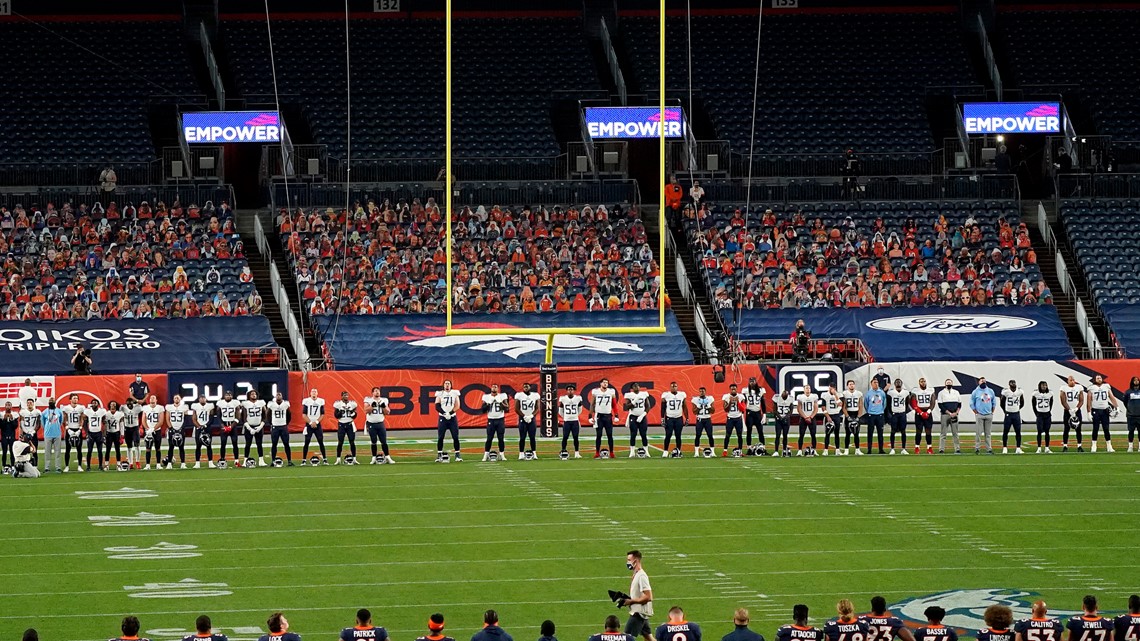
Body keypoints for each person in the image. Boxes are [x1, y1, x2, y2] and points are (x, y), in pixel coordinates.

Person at [620, 551, 654, 641]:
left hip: (638, 613)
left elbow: (648, 597)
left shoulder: (642, 576)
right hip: (640, 612)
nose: (627, 562)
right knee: (649, 638)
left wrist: (631, 601)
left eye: (629, 560)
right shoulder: (636, 574)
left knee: (627, 638)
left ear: (636, 561)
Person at [1086, 374, 1117, 452]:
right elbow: (1089, 400)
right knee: (1095, 428)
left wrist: (1117, 406)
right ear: (1094, 379)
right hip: (1095, 410)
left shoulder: (1106, 386)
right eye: (1097, 378)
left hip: (1104, 410)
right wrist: (1088, 412)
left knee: (1106, 428)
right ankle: (1093, 445)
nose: (1099, 379)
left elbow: (1111, 397)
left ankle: (1109, 446)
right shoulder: (1091, 388)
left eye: (1100, 378)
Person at [363, 387, 394, 464]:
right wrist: (372, 406)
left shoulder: (384, 400)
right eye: (376, 391)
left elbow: (387, 412)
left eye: (378, 391)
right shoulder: (368, 400)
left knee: (384, 441)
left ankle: (388, 457)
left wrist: (383, 407)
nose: (377, 393)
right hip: (371, 423)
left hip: (380, 423)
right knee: (373, 441)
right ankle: (373, 458)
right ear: (372, 392)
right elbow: (366, 411)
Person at [434, 380, 462, 462]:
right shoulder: (440, 394)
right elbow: (437, 405)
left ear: (451, 385)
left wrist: (450, 413)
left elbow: (457, 405)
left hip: (452, 417)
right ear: (443, 385)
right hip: (442, 417)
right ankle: (439, 454)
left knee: (455, 437)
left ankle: (457, 455)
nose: (447, 385)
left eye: (448, 383)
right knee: (440, 437)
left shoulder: (455, 393)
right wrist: (444, 413)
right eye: (445, 383)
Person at [590, 379, 617, 458]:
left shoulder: (611, 391)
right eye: (604, 382)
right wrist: (590, 415)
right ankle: (597, 453)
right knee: (599, 435)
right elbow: (592, 404)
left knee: (610, 435)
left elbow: (614, 404)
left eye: (607, 383)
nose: (605, 384)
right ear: (600, 383)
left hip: (608, 415)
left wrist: (616, 414)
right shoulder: (595, 391)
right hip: (599, 416)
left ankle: (611, 452)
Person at [481, 384, 509, 461]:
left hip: (500, 419)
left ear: (498, 389)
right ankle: (486, 455)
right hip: (491, 419)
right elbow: (483, 410)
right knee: (489, 438)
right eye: (493, 387)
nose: (494, 388)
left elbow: (507, 408)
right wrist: (489, 403)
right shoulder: (486, 397)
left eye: (496, 387)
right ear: (491, 388)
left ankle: (502, 455)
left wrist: (500, 402)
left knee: (501, 438)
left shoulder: (502, 396)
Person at [660, 382, 689, 456]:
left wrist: (687, 418)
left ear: (677, 387)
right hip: (669, 418)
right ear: (670, 387)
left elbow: (684, 407)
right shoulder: (666, 395)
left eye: (675, 386)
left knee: (678, 435)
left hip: (679, 417)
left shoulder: (682, 395)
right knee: (668, 434)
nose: (674, 387)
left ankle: (678, 451)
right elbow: (663, 408)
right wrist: (662, 418)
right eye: (672, 386)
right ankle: (665, 451)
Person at [301, 389, 328, 465]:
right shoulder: (306, 401)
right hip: (309, 424)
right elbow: (304, 414)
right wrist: (310, 422)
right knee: (307, 441)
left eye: (315, 392)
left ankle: (325, 459)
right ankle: (304, 460)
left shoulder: (321, 401)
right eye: (312, 392)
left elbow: (322, 414)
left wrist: (316, 422)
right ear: (310, 393)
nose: (314, 393)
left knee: (320, 441)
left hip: (317, 424)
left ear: (317, 393)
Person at [1059, 375, 1085, 452]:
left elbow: (1081, 400)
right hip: (1067, 411)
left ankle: (1079, 446)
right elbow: (1063, 401)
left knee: (1078, 429)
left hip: (1077, 411)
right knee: (1066, 428)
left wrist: (1077, 408)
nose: (1072, 381)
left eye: (1073, 380)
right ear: (1067, 381)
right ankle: (1065, 446)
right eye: (1071, 380)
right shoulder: (1063, 388)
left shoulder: (1079, 387)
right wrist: (1069, 409)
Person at [215, 390, 242, 466]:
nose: (228, 396)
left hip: (232, 425)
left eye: (229, 395)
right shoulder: (220, 403)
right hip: (224, 425)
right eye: (226, 395)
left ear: (232, 396)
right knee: (223, 443)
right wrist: (222, 426)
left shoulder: (235, 403)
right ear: (224, 396)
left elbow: (238, 416)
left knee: (235, 443)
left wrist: (231, 426)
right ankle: (222, 459)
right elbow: (218, 416)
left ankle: (236, 460)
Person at [971, 377, 996, 454]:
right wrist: (976, 412)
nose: (983, 382)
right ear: (979, 382)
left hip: (988, 415)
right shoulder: (975, 392)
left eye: (984, 381)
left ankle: (989, 448)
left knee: (988, 433)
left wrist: (992, 412)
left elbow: (994, 402)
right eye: (982, 381)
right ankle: (977, 448)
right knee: (978, 433)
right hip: (980, 415)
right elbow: (971, 403)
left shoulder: (990, 391)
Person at [514, 382, 539, 460]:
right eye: (524, 387)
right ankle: (521, 453)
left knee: (532, 437)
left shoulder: (535, 395)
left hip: (532, 418)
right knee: (522, 437)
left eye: (527, 386)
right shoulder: (519, 395)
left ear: (530, 387)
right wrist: (524, 416)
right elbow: (516, 408)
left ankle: (534, 453)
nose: (525, 388)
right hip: (523, 418)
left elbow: (537, 408)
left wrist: (531, 416)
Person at [242, 390, 267, 466]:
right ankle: (245, 461)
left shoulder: (261, 403)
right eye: (252, 394)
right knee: (248, 444)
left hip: (258, 426)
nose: (254, 395)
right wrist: (249, 428)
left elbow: (264, 416)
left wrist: (260, 426)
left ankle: (261, 460)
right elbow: (243, 417)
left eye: (255, 394)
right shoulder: (245, 404)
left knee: (259, 444)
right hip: (249, 426)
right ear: (249, 395)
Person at [333, 391, 359, 464]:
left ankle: (354, 458)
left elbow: (355, 416)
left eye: (347, 395)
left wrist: (350, 410)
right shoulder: (338, 404)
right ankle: (338, 459)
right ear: (341, 396)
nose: (346, 396)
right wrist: (341, 410)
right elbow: (336, 416)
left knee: (352, 442)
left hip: (350, 424)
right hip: (341, 424)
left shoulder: (352, 404)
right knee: (340, 442)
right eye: (344, 395)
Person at [267, 391, 293, 466]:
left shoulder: (286, 404)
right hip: (275, 426)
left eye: (280, 395)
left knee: (286, 444)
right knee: (274, 444)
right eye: (277, 395)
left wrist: (286, 424)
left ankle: (289, 461)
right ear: (275, 396)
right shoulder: (271, 404)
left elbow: (289, 415)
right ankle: (273, 461)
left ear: (282, 396)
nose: (278, 396)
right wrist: (271, 423)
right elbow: (268, 415)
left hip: (283, 426)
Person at [625, 382, 651, 457]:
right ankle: (632, 451)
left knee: (643, 434)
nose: (636, 387)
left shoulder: (644, 394)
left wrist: (642, 415)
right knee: (633, 434)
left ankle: (646, 451)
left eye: (637, 385)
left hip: (642, 416)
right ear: (632, 388)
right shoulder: (629, 395)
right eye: (634, 386)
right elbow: (626, 407)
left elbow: (648, 406)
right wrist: (634, 401)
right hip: (633, 416)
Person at [936, 379, 962, 454]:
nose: (949, 384)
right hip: (945, 415)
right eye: (947, 383)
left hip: (954, 415)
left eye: (950, 383)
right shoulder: (941, 393)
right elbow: (940, 405)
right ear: (945, 384)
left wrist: (956, 413)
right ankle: (941, 449)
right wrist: (949, 413)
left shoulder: (956, 392)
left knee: (955, 433)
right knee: (943, 433)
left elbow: (959, 404)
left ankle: (957, 449)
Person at [61, 394, 86, 471]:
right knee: (68, 449)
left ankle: (79, 466)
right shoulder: (66, 408)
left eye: (76, 398)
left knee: (79, 449)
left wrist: (80, 428)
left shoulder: (81, 408)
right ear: (70, 399)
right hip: (70, 429)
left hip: (78, 429)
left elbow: (82, 418)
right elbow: (64, 419)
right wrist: (67, 428)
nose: (75, 399)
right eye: (74, 398)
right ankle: (67, 466)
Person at [190, 394, 216, 469]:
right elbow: (194, 418)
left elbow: (211, 418)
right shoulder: (195, 406)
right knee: (198, 446)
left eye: (203, 398)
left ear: (206, 399)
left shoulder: (210, 406)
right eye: (201, 398)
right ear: (199, 399)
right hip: (198, 428)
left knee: (209, 445)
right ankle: (197, 463)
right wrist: (199, 426)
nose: (202, 399)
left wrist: (206, 425)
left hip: (207, 428)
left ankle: (210, 462)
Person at [559, 383, 584, 459]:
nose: (570, 391)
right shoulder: (563, 399)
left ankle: (577, 453)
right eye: (569, 389)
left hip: (575, 420)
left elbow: (580, 410)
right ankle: (563, 451)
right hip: (567, 421)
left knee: (575, 437)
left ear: (574, 391)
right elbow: (560, 411)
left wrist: (575, 416)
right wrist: (565, 417)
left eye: (572, 389)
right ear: (566, 391)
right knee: (565, 437)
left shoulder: (578, 398)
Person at [165, 395, 190, 469]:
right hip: (172, 429)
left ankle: (183, 463)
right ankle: (169, 463)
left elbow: (186, 418)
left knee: (181, 447)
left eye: (178, 398)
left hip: (180, 429)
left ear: (180, 399)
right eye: (175, 398)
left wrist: (182, 428)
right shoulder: (169, 407)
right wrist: (171, 428)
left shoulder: (184, 407)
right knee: (171, 446)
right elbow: (167, 418)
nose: (176, 399)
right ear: (173, 399)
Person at [911, 378, 935, 455]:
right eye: (921, 382)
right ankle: (917, 447)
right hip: (919, 412)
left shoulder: (931, 390)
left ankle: (929, 447)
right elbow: (914, 404)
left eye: (924, 381)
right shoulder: (915, 391)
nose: (923, 383)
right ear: (919, 383)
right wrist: (921, 413)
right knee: (919, 431)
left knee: (928, 430)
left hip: (928, 411)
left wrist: (928, 411)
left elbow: (933, 402)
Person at [886, 379, 911, 455]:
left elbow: (907, 403)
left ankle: (903, 449)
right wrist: (892, 413)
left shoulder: (906, 392)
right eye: (897, 382)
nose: (898, 383)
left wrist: (903, 411)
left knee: (903, 431)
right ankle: (892, 449)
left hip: (902, 414)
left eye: (899, 382)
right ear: (894, 384)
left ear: (902, 383)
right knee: (893, 431)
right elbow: (888, 404)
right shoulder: (891, 393)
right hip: (894, 414)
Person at [141, 396, 165, 470]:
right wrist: (147, 429)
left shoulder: (160, 408)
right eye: (151, 398)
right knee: (148, 448)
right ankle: (147, 465)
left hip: (157, 430)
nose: (152, 399)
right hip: (148, 431)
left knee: (158, 448)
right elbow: (143, 420)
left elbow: (161, 421)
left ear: (156, 400)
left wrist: (153, 429)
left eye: (153, 398)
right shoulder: (145, 408)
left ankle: (158, 464)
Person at [1001, 380, 1025, 454]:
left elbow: (1022, 402)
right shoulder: (1006, 392)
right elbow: (1002, 402)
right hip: (1008, 414)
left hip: (1016, 414)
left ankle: (1018, 448)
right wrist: (1005, 411)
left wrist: (1017, 408)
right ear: (1009, 384)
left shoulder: (1019, 391)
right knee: (1006, 431)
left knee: (1018, 431)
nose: (1013, 384)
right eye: (1012, 383)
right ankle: (1005, 447)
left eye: (1014, 383)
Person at [744, 377, 768, 452]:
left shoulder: (761, 390)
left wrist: (764, 414)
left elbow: (763, 403)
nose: (752, 383)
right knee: (749, 430)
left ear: (756, 382)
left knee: (760, 430)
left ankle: (763, 447)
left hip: (757, 412)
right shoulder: (746, 390)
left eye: (753, 381)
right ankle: (748, 447)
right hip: (750, 412)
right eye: (750, 381)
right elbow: (744, 402)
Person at [795, 384, 820, 456]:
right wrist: (805, 417)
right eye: (806, 388)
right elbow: (799, 408)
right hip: (803, 418)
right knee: (801, 434)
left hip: (812, 417)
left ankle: (814, 450)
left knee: (813, 434)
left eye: (809, 388)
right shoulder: (800, 397)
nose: (808, 389)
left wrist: (811, 417)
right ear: (804, 389)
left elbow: (816, 408)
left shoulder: (814, 396)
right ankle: (799, 450)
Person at [863, 379, 887, 454]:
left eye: (877, 382)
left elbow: (884, 403)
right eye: (874, 382)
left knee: (880, 433)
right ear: (871, 384)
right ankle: (869, 449)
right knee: (870, 433)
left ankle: (881, 449)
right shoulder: (868, 393)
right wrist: (870, 411)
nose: (876, 384)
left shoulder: (882, 392)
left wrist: (880, 410)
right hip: (871, 415)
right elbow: (866, 404)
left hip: (880, 415)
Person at [840, 381, 863, 456]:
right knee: (847, 433)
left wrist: (858, 416)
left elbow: (860, 405)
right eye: (850, 384)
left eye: (853, 384)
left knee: (856, 433)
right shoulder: (844, 394)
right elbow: (843, 407)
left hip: (856, 413)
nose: (852, 386)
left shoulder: (859, 393)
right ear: (847, 386)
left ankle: (857, 449)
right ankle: (846, 449)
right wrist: (847, 416)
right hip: (848, 413)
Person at [83, 399, 107, 471]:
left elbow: (104, 423)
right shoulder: (88, 411)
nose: (94, 404)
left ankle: (100, 466)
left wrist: (103, 434)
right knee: (89, 451)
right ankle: (88, 466)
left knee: (100, 451)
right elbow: (85, 423)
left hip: (98, 432)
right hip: (91, 433)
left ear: (98, 404)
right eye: (93, 403)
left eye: (95, 403)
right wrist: (87, 433)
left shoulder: (102, 411)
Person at [722, 383, 745, 456]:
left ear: (736, 389)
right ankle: (725, 451)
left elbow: (743, 409)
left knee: (740, 435)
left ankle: (740, 451)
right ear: (730, 389)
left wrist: (738, 402)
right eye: (732, 389)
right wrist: (730, 402)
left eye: (734, 388)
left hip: (738, 418)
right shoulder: (726, 397)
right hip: (730, 418)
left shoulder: (741, 396)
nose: (733, 390)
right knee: (727, 435)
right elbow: (725, 409)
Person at [40, 398, 63, 473]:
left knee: (58, 451)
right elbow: (42, 422)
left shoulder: (59, 411)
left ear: (55, 403)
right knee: (47, 451)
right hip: (48, 434)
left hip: (57, 434)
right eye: (50, 401)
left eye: (52, 402)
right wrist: (47, 429)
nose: (51, 403)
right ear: (48, 403)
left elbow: (61, 421)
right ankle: (47, 467)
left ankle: (58, 467)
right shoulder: (44, 412)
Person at [692, 387, 715, 456]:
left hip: (707, 419)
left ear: (705, 391)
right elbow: (694, 412)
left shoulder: (710, 399)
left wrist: (708, 406)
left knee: (710, 435)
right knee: (698, 435)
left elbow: (713, 411)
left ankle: (713, 452)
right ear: (699, 392)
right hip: (700, 419)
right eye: (700, 391)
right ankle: (696, 452)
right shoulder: (695, 399)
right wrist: (699, 406)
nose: (702, 392)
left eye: (703, 391)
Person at [820, 384, 842, 456]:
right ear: (829, 388)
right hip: (829, 415)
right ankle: (826, 450)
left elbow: (840, 404)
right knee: (827, 433)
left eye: (833, 388)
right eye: (830, 388)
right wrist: (828, 416)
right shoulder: (824, 395)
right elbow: (823, 407)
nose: (832, 389)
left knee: (837, 433)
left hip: (836, 415)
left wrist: (835, 395)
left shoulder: (838, 394)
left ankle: (837, 450)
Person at [1032, 382, 1054, 454]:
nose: (1044, 387)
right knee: (1039, 431)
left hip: (1047, 414)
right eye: (1042, 385)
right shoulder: (1036, 393)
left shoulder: (1050, 393)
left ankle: (1047, 448)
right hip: (1040, 414)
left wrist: (1048, 411)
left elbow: (1051, 403)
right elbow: (1033, 404)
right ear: (1039, 386)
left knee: (1047, 431)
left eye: (1045, 385)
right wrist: (1037, 413)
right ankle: (1039, 448)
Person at [121, 397, 143, 469]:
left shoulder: (137, 407)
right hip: (127, 428)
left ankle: (137, 461)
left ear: (133, 404)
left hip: (135, 428)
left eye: (131, 404)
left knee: (137, 445)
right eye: (128, 404)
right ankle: (130, 463)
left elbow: (142, 412)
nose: (129, 406)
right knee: (129, 446)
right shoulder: (123, 407)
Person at [18, 398, 40, 469]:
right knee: (24, 450)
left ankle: (35, 466)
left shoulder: (37, 412)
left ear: (33, 404)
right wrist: (26, 432)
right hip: (25, 433)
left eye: (31, 402)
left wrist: (32, 432)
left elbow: (38, 424)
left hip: (33, 434)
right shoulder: (23, 412)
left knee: (34, 450)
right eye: (28, 403)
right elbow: (21, 424)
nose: (29, 404)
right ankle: (25, 466)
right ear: (26, 404)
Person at [773, 389, 794, 457]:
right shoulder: (777, 398)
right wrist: (780, 417)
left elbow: (791, 410)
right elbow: (774, 410)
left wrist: (786, 417)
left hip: (786, 420)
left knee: (785, 435)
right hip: (779, 419)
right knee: (778, 435)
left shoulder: (790, 399)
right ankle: (776, 451)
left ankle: (784, 450)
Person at [103, 401, 124, 468]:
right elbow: (104, 425)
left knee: (117, 449)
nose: (113, 405)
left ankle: (118, 463)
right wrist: (104, 435)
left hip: (116, 433)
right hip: (109, 433)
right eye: (111, 404)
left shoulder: (120, 414)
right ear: (109, 405)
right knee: (108, 449)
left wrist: (122, 434)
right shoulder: (106, 414)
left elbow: (121, 424)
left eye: (114, 404)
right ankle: (106, 464)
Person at [1126, 380, 1140, 453]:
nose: (1136, 381)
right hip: (1131, 415)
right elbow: (1125, 401)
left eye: (1137, 380)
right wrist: (1130, 409)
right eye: (1135, 380)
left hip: (1139, 416)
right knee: (1131, 431)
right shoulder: (1128, 392)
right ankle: (1130, 446)